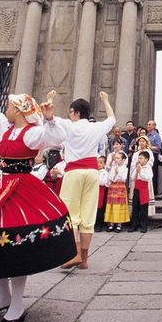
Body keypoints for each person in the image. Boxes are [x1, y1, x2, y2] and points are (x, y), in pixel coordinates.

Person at [0, 81, 76, 322]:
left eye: (10, 106)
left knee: (15, 246)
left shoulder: (32, 132)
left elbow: (56, 137)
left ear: (18, 110)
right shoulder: (7, 129)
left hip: (20, 191)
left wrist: (49, 119)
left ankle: (16, 305)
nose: (6, 109)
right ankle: (2, 297)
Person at [42, 90, 116, 270]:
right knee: (88, 216)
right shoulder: (95, 127)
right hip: (92, 172)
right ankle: (84, 258)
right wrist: (105, 101)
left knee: (71, 214)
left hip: (74, 172)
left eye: (71, 111)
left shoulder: (69, 125)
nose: (69, 114)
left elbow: (50, 119)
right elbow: (112, 119)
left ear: (76, 112)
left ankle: (74, 254)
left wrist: (50, 100)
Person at [104, 151, 130, 232]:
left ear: (123, 160)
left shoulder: (125, 168)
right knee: (111, 205)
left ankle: (119, 224)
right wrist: (114, 175)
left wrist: (117, 173)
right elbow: (111, 178)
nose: (116, 160)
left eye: (118, 158)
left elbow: (123, 179)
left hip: (120, 187)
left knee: (119, 206)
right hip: (112, 187)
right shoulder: (113, 167)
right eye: (115, 158)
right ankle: (111, 223)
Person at [128, 152, 153, 233]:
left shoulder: (148, 167)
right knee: (135, 207)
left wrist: (140, 172)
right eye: (138, 158)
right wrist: (136, 171)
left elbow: (147, 178)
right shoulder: (137, 167)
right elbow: (132, 178)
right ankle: (134, 225)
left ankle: (144, 225)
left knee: (143, 209)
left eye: (141, 158)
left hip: (144, 190)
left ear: (146, 159)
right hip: (136, 189)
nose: (139, 160)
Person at [95, 156, 108, 232]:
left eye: (101, 163)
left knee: (100, 209)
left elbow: (103, 182)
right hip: (94, 191)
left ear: (104, 164)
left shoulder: (104, 173)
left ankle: (99, 225)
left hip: (101, 191)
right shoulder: (93, 171)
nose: (99, 164)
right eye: (97, 162)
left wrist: (96, 180)